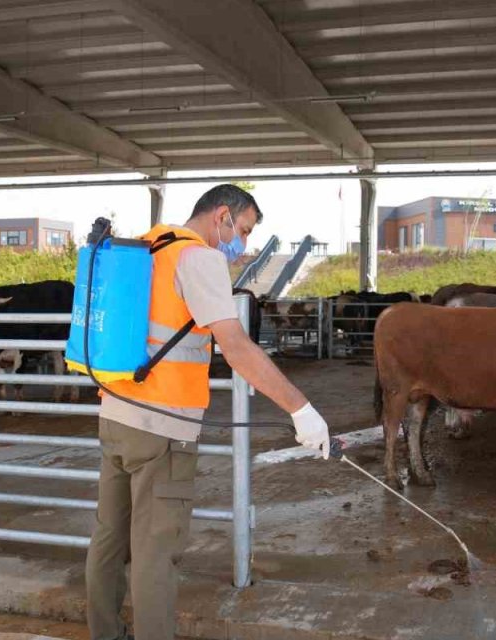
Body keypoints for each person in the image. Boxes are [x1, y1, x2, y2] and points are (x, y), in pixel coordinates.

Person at [85, 184, 331, 640]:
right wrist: (301, 408)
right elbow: (235, 346)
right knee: (157, 551)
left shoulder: (152, 243)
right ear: (221, 215)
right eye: (242, 230)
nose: (243, 244)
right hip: (162, 428)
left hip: (116, 413)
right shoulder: (198, 258)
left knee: (109, 539)